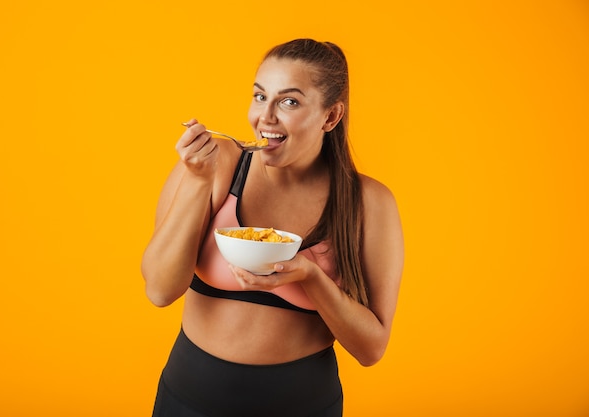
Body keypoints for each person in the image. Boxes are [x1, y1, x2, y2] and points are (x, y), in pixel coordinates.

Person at [141, 38, 404, 417]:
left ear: (331, 117)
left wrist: (310, 277)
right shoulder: (217, 165)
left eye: (289, 102)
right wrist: (198, 183)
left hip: (304, 405)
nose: (265, 117)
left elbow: (371, 349)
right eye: (260, 96)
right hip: (189, 399)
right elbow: (159, 289)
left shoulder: (369, 202)